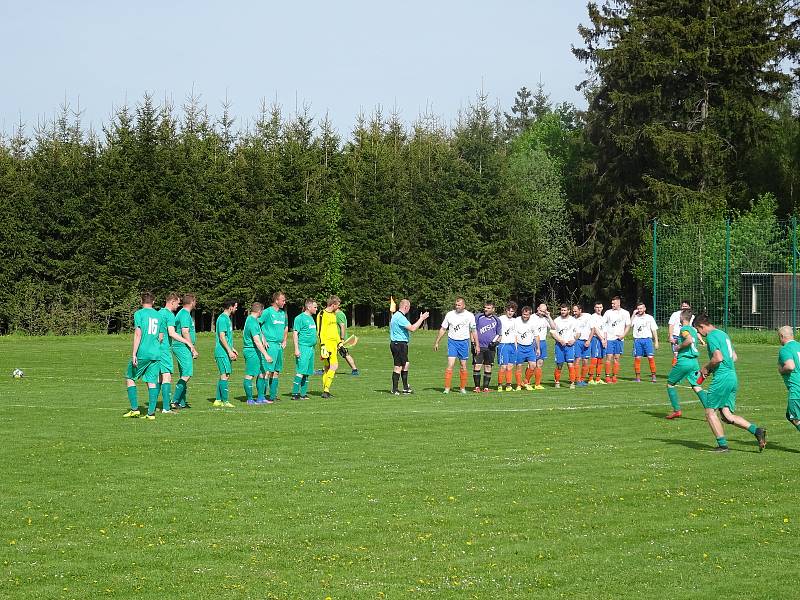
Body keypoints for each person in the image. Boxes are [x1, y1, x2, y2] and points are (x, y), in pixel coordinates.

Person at [695, 314, 766, 452]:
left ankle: (722, 446)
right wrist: (715, 367)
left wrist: (706, 368)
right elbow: (734, 357)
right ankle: (757, 431)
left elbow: (718, 358)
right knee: (727, 414)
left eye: (698, 330)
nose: (699, 334)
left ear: (701, 326)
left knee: (710, 412)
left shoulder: (711, 336)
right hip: (732, 376)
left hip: (722, 378)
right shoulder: (723, 334)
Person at [123, 292, 161, 419]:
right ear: (153, 302)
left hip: (143, 352)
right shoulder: (158, 315)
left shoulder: (139, 314)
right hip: (156, 353)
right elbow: (161, 336)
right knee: (152, 381)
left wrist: (134, 353)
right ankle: (151, 413)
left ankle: (134, 409)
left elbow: (138, 334)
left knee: (130, 377)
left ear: (141, 301)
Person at [665, 309, 707, 419]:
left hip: (684, 361)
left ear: (682, 318)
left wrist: (678, 347)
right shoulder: (693, 330)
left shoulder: (684, 329)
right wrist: (677, 341)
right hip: (694, 362)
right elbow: (690, 339)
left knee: (670, 384)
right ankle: (709, 411)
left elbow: (688, 340)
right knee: (696, 386)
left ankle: (676, 410)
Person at [433, 297, 479, 394]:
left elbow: (474, 331)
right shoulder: (450, 314)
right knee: (450, 365)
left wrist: (477, 345)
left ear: (464, 305)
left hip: (464, 342)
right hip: (452, 342)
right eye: (456, 305)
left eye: (459, 305)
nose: (457, 307)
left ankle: (462, 388)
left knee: (463, 365)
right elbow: (443, 329)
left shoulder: (470, 315)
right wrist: (437, 341)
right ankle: (447, 388)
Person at [389, 298, 430, 395]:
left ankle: (405, 387)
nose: (409, 310)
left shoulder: (396, 315)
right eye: (409, 308)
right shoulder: (400, 317)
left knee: (405, 364)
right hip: (399, 344)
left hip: (399, 344)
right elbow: (412, 328)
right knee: (398, 366)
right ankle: (395, 389)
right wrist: (422, 318)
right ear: (405, 307)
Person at [156, 292, 187, 414]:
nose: (178, 306)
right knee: (167, 377)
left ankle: (153, 406)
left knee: (159, 378)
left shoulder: (158, 313)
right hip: (164, 350)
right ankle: (166, 408)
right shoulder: (169, 315)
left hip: (156, 349)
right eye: (177, 303)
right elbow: (172, 333)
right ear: (172, 301)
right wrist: (187, 342)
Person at [170, 293, 199, 409]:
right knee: (187, 374)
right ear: (192, 302)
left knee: (184, 374)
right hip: (182, 346)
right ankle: (174, 400)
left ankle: (181, 402)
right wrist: (192, 347)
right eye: (195, 301)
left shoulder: (183, 313)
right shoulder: (184, 314)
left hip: (181, 346)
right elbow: (185, 331)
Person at [260, 291, 288, 403]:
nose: (284, 302)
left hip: (279, 346)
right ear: (276, 300)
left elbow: (286, 327)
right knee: (267, 371)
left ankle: (272, 395)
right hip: (270, 345)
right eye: (283, 300)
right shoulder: (267, 312)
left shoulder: (283, 313)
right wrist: (263, 339)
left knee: (276, 371)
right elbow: (257, 325)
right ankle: (262, 396)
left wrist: (285, 339)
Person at [242, 302, 271, 405]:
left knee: (262, 373)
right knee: (250, 375)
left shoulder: (254, 320)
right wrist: (266, 355)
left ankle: (261, 398)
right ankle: (250, 399)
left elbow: (259, 334)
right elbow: (256, 341)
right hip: (251, 351)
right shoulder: (252, 322)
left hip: (256, 351)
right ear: (260, 311)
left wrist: (264, 340)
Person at [291, 299, 319, 400]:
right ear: (308, 307)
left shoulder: (311, 318)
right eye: (315, 307)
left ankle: (303, 394)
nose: (316, 309)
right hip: (303, 348)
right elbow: (295, 333)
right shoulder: (299, 318)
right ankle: (295, 394)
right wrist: (296, 349)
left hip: (311, 349)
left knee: (307, 372)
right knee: (301, 371)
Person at [213, 299, 239, 408]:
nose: (236, 308)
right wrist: (229, 351)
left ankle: (218, 400)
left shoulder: (227, 318)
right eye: (235, 306)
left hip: (226, 351)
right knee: (225, 375)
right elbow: (222, 336)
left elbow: (226, 338)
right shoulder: (223, 319)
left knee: (225, 375)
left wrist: (232, 348)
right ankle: (225, 401)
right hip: (222, 352)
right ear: (230, 307)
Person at [472, 301, 502, 392]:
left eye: (488, 308)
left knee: (488, 366)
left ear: (493, 309)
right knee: (477, 365)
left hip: (490, 348)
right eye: (485, 307)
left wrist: (496, 343)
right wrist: (473, 343)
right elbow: (472, 330)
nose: (486, 309)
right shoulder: (478, 317)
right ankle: (477, 387)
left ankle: (486, 387)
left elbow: (499, 335)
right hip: (479, 346)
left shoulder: (497, 320)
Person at [317, 295, 342, 399]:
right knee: (334, 366)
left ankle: (325, 391)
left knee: (328, 368)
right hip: (326, 345)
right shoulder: (322, 314)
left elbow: (335, 331)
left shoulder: (333, 314)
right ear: (333, 305)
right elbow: (320, 331)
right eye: (338, 305)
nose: (338, 308)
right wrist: (323, 345)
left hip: (334, 345)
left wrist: (339, 343)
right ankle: (326, 390)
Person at [778, 325, 800, 433]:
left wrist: (781, 370)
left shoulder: (785, 349)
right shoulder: (799, 346)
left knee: (796, 419)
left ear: (782, 336)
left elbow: (790, 366)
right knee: (789, 414)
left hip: (796, 389)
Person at [603, 296, 630, 384]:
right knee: (609, 357)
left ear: (618, 303)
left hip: (619, 339)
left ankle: (614, 376)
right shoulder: (608, 312)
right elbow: (603, 325)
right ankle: (607, 376)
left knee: (617, 358)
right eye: (612, 303)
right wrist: (605, 338)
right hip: (610, 338)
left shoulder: (625, 313)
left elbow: (628, 325)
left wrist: (623, 335)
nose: (612, 305)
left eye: (614, 303)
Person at [631, 301, 659, 383]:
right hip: (637, 340)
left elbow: (654, 330)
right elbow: (629, 325)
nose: (639, 310)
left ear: (645, 309)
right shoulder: (635, 317)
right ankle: (638, 378)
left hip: (647, 340)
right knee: (637, 358)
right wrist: (633, 314)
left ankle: (653, 377)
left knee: (650, 358)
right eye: (638, 308)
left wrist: (656, 341)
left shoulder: (649, 318)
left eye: (641, 308)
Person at [551, 304, 577, 389]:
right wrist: (560, 340)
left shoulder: (573, 320)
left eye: (565, 310)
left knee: (570, 364)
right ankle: (557, 382)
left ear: (568, 311)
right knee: (559, 365)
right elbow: (552, 333)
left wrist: (574, 340)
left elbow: (578, 333)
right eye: (562, 310)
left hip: (570, 346)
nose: (563, 312)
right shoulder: (556, 320)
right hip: (559, 346)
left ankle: (572, 383)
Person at [531, 303, 555, 389]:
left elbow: (553, 327)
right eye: (540, 310)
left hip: (543, 342)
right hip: (533, 341)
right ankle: (527, 382)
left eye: (543, 311)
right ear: (537, 308)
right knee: (532, 364)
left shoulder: (546, 319)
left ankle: (537, 384)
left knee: (540, 363)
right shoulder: (531, 317)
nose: (541, 313)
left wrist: (549, 316)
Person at [496, 302, 518, 392]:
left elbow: (515, 334)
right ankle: (500, 385)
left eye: (512, 311)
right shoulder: (500, 319)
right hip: (503, 344)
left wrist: (516, 346)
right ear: (506, 310)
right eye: (509, 310)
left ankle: (508, 385)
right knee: (503, 366)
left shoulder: (515, 321)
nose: (510, 312)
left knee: (510, 366)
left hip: (512, 345)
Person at [587, 301, 608, 384]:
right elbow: (594, 329)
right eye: (597, 307)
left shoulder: (602, 318)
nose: (599, 309)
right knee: (594, 359)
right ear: (594, 308)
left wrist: (605, 340)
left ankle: (598, 378)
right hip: (596, 339)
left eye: (600, 307)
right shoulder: (593, 317)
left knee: (600, 359)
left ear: (602, 308)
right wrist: (602, 339)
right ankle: (590, 379)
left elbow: (605, 330)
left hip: (603, 340)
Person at [336, 306, 359, 375]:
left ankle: (355, 370)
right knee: (343, 354)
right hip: (337, 339)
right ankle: (354, 370)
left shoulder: (338, 314)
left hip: (339, 340)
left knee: (345, 354)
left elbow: (342, 326)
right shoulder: (339, 314)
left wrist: (342, 339)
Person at [572, 304, 592, 387]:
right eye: (573, 311)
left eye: (575, 311)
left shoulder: (588, 316)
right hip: (577, 342)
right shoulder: (572, 320)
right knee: (577, 360)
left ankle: (583, 379)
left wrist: (589, 340)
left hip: (586, 341)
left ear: (580, 310)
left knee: (585, 361)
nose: (574, 313)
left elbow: (593, 329)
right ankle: (577, 379)